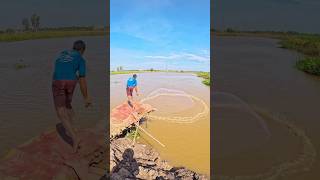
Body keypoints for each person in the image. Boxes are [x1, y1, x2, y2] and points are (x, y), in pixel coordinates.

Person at [52, 40, 91, 153]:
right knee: (67, 104)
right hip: (71, 82)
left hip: (58, 81)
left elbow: (61, 66)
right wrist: (86, 97)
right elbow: (82, 79)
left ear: (73, 48)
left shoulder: (63, 53)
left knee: (60, 111)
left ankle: (75, 138)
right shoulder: (81, 59)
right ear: (82, 50)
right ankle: (73, 128)